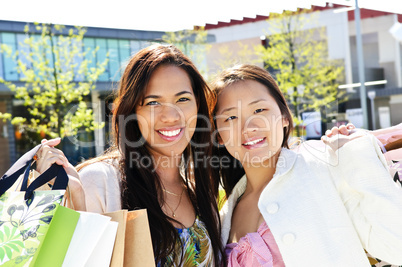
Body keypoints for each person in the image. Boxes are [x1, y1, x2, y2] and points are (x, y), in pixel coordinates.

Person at [36, 44, 223, 266]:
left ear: (198, 106)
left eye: (182, 99)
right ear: (132, 112)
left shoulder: (200, 192)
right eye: (153, 102)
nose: (171, 116)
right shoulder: (99, 182)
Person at [212, 64, 402, 266]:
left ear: (285, 117)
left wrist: (355, 153)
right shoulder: (223, 216)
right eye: (231, 117)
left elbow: (396, 247)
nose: (248, 127)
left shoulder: (324, 166)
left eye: (259, 110)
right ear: (218, 134)